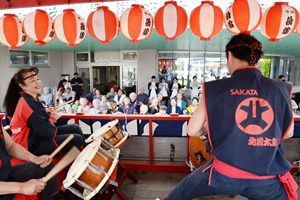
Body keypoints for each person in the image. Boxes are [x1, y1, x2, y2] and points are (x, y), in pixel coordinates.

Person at [167, 33, 297, 200]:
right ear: (256, 58)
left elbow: (192, 130)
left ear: (229, 55)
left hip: (224, 174)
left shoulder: (214, 88)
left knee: (183, 191)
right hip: (266, 178)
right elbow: (288, 133)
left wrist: (208, 129)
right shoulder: (280, 89)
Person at [3, 68, 85, 159]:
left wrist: (47, 114)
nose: (38, 82)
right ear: (22, 85)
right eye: (32, 81)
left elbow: (40, 122)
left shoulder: (29, 98)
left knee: (75, 127)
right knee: (76, 138)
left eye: (37, 79)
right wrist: (53, 118)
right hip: (28, 146)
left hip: (35, 137)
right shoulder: (27, 103)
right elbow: (47, 132)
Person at [0, 128, 58, 200]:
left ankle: (55, 196)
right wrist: (21, 187)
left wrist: (35, 158)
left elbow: (11, 147)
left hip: (5, 173)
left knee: (45, 164)